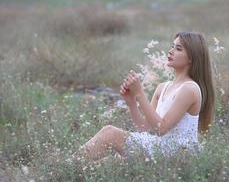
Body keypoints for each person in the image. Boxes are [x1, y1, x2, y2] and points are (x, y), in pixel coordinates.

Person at [74, 32, 215, 162]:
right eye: (172, 46)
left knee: (109, 133)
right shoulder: (162, 87)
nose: (171, 51)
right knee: (106, 163)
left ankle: (62, 167)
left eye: (178, 49)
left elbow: (161, 129)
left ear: (192, 58)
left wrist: (140, 93)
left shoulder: (190, 88)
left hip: (177, 154)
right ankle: (66, 169)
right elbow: (145, 128)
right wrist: (132, 103)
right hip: (160, 148)